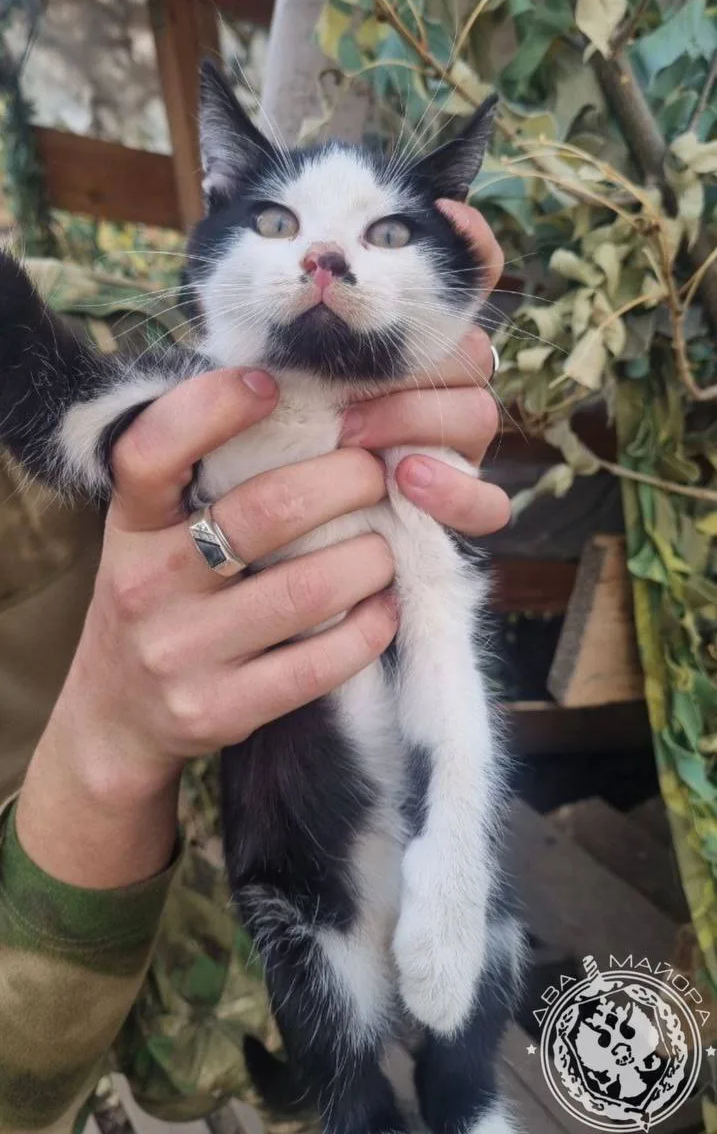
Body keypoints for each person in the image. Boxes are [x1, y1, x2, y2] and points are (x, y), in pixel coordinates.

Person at [0, 202, 509, 1132]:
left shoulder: (229, 382)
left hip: (388, 819)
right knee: (343, 1075)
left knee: (469, 1031)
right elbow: (62, 416)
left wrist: (450, 348)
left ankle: (466, 1100)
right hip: (247, 877)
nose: (324, 258)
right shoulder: (199, 401)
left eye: (385, 235)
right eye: (280, 225)